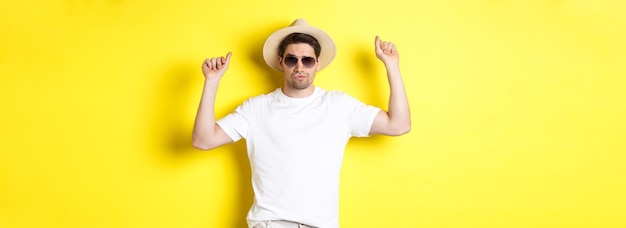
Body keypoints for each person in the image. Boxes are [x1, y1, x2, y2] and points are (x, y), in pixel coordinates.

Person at [192, 19, 410, 228]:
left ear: (317, 63)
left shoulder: (339, 106)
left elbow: (398, 125)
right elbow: (203, 140)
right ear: (281, 63)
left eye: (307, 60)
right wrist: (211, 82)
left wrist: (392, 65)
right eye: (291, 59)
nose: (299, 67)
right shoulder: (256, 109)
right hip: (271, 223)